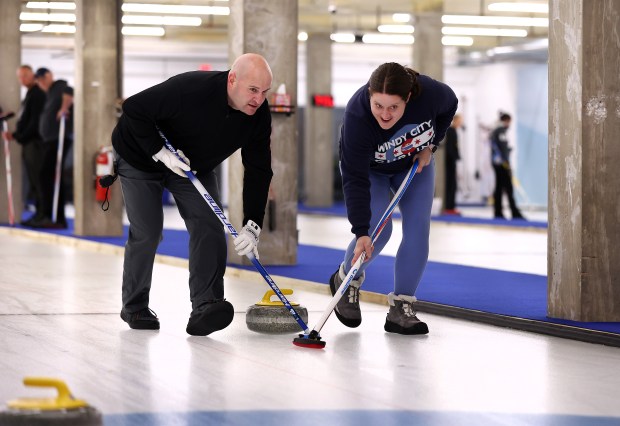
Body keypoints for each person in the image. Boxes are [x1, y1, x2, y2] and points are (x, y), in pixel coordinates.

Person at [111, 53, 273, 336]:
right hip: (140, 155)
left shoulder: (258, 115)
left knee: (210, 224)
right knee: (148, 230)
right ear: (232, 79)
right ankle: (134, 305)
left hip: (192, 166)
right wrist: (159, 151)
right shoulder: (191, 88)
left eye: (264, 92)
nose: (258, 99)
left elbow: (258, 169)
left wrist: (252, 225)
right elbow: (134, 108)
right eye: (253, 90)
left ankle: (206, 304)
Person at [330, 62, 457, 335]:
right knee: (379, 231)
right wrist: (361, 231)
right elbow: (354, 179)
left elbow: (451, 105)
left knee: (418, 229)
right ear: (369, 96)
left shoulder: (432, 94)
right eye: (378, 106)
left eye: (393, 107)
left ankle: (402, 307)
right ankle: (346, 280)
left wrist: (432, 145)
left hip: (413, 163)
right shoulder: (357, 116)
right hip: (370, 172)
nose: (385, 115)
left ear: (408, 98)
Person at [1, 65, 46, 226]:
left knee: (38, 180)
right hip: (28, 142)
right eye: (20, 77)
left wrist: (17, 135)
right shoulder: (30, 94)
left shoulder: (37, 95)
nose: (22, 80)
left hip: (35, 143)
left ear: (32, 75)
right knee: (34, 180)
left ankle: (42, 215)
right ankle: (39, 214)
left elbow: (34, 122)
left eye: (25, 76)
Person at [33, 67, 74, 229]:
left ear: (48, 76)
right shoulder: (50, 92)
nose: (41, 84)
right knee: (47, 176)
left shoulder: (59, 86)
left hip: (59, 138)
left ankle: (57, 218)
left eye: (42, 80)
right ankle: (49, 215)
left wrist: (64, 108)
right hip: (50, 139)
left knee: (48, 175)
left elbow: (69, 92)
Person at [489, 112, 524, 220]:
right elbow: (502, 147)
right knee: (508, 188)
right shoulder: (500, 131)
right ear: (506, 120)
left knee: (499, 187)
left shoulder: (496, 130)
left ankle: (498, 212)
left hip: (497, 163)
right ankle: (514, 212)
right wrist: (506, 161)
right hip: (502, 164)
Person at [443, 113, 463, 215]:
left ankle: (451, 206)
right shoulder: (451, 131)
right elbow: (450, 148)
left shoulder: (454, 131)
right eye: (460, 120)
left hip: (452, 161)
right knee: (451, 185)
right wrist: (453, 158)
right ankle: (448, 207)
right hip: (450, 162)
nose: (461, 122)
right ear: (455, 120)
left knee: (453, 185)